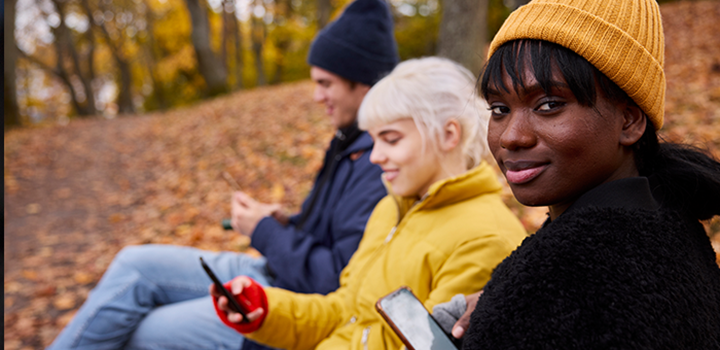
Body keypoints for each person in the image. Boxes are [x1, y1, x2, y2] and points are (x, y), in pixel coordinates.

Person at [47, 0, 399, 349]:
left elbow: (333, 279)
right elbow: (331, 235)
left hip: (288, 306)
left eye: (326, 84)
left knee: (140, 332)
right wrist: (284, 221)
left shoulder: (379, 165)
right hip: (274, 272)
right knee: (134, 265)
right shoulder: (349, 142)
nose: (315, 96)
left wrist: (262, 231)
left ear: (363, 83)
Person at [444, 0, 720, 348]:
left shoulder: (566, 278)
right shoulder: (669, 222)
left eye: (549, 105)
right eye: (499, 109)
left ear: (630, 120)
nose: (512, 136)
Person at [212, 56, 528, 350]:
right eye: (374, 140)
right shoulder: (390, 209)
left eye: (391, 139)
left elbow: (423, 343)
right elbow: (343, 310)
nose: (375, 156)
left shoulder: (485, 239)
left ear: (448, 135)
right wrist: (264, 309)